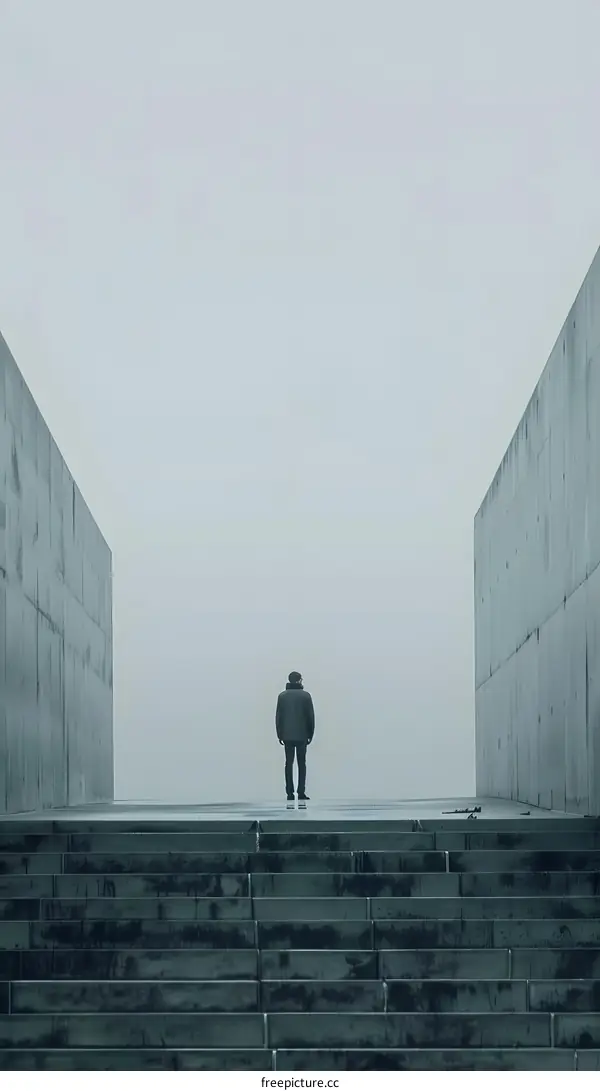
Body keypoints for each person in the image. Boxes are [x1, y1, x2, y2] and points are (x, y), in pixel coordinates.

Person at [275, 671, 315, 802]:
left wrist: (279, 733)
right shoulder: (305, 696)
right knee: (302, 763)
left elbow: (278, 717)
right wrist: (310, 733)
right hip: (302, 734)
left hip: (287, 735)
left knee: (289, 763)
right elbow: (310, 716)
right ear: (298, 681)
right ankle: (301, 791)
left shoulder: (282, 696)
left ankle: (289, 792)